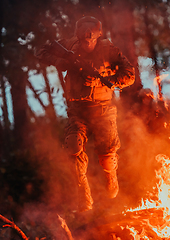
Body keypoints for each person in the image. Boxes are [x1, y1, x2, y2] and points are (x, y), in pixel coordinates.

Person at [35, 16, 135, 212]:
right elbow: (41, 52)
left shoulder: (109, 50)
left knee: (107, 157)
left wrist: (104, 81)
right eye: (83, 39)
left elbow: (130, 75)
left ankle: (111, 179)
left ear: (99, 35)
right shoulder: (69, 45)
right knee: (73, 147)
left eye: (91, 38)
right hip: (77, 110)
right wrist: (59, 61)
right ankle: (84, 197)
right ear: (77, 36)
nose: (87, 42)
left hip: (103, 109)